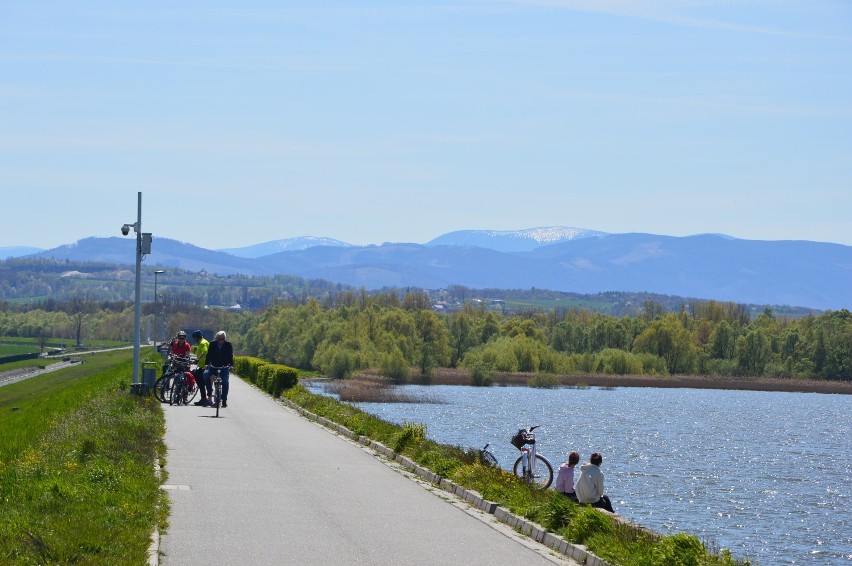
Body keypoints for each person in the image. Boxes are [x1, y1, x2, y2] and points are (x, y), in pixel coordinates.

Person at [204, 330, 234, 407]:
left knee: (225, 381)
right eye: (219, 339)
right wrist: (207, 364)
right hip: (214, 366)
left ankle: (224, 400)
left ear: (225, 339)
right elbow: (209, 355)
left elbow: (230, 356)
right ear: (216, 338)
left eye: (222, 339)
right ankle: (210, 393)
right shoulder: (212, 344)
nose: (221, 340)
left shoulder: (228, 345)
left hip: (224, 367)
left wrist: (231, 365)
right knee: (206, 376)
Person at [191, 330, 211, 406]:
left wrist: (197, 359)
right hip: (202, 366)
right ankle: (204, 398)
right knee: (199, 380)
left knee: (199, 380)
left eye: (194, 338)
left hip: (204, 367)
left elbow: (205, 352)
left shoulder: (202, 343)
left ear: (196, 337)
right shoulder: (203, 342)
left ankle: (204, 399)